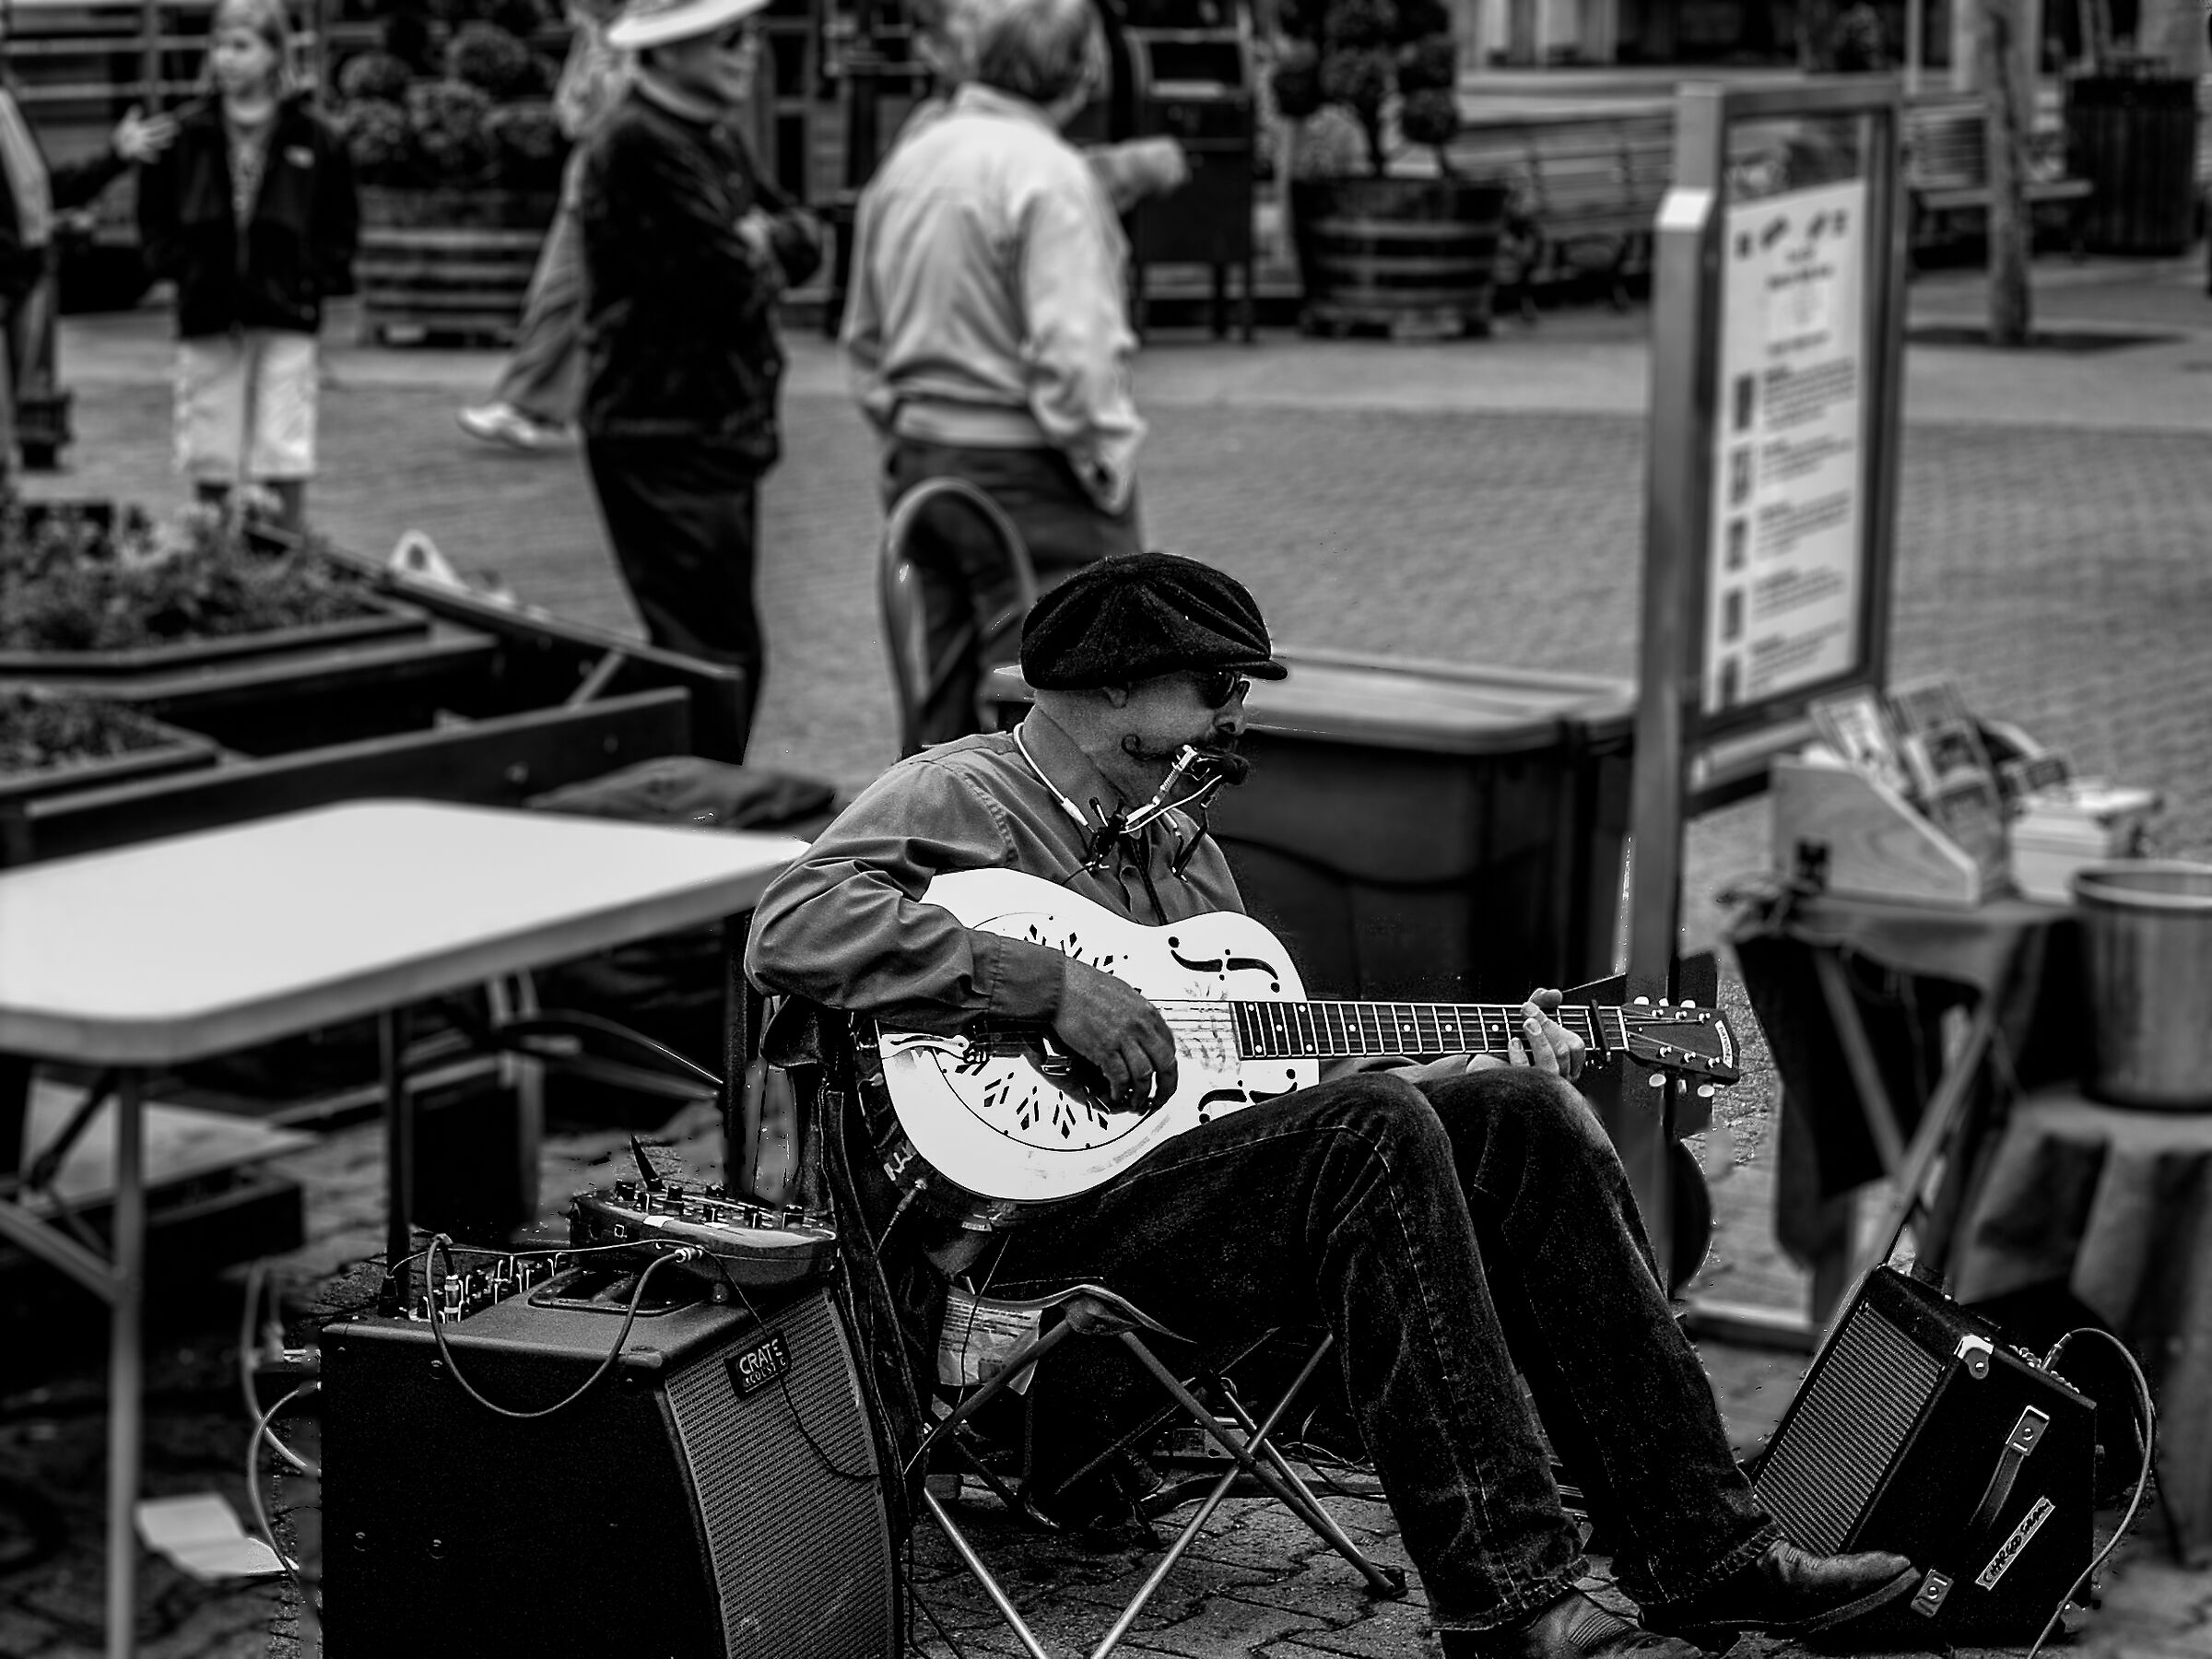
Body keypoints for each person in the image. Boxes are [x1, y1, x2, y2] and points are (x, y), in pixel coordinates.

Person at [747, 550, 1922, 1659]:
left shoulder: (1189, 858)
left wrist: (1455, 1077)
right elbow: (788, 928)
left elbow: (1271, 1103)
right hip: (1005, 1234)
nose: (1233, 716)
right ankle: (1506, 1601)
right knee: (1372, 1137)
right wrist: (1047, 983)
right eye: (1214, 686)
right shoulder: (962, 795)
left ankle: (1709, 1553)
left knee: (1520, 1116)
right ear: (1108, 690)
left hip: (1174, 1205)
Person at [841, 0, 1161, 749]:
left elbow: (862, 329)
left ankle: (923, 850)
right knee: (1061, 703)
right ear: (1083, 72)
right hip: (1025, 467)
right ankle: (1024, 860)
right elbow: (1074, 353)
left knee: (947, 687)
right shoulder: (1051, 175)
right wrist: (1102, 462)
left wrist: (900, 422)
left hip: (924, 454)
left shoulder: (913, 156)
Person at [578, 0, 817, 760]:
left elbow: (802, 240)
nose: (750, 50)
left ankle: (690, 799)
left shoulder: (702, 134)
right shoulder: (640, 143)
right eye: (730, 37)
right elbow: (726, 279)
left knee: (713, 647)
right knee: (714, 652)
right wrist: (763, 244)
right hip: (665, 432)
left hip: (703, 432)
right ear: (670, 48)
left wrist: (765, 241)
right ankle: (705, 814)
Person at [135, 0, 358, 535]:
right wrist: (177, 268)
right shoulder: (185, 134)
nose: (226, 59)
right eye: (218, 46)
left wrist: (314, 278)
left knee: (283, 445)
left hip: (286, 308)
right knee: (208, 442)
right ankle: (212, 561)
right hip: (208, 306)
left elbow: (340, 220)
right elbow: (155, 213)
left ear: (274, 54)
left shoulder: (314, 136)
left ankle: (280, 559)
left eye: (241, 46)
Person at [455, 0, 630, 453]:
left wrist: (603, 87)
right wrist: (591, 87)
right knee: (556, 297)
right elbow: (570, 119)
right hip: (586, 190)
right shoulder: (590, 42)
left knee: (574, 299)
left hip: (625, 194)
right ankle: (531, 405)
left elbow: (625, 118)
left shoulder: (641, 38)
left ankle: (529, 405)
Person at [0, 93, 176, 485]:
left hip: (24, 278)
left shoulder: (6, 104)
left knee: (12, 433)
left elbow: (43, 189)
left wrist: (114, 157)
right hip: (16, 272)